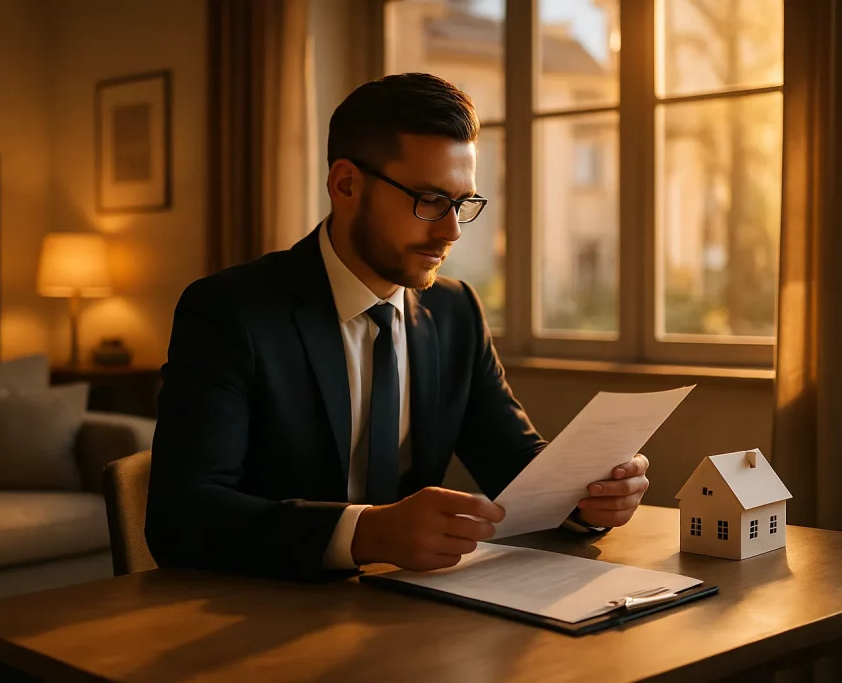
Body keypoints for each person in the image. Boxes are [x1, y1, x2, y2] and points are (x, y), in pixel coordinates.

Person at [145, 73, 650, 580]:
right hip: (259, 611)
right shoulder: (230, 311)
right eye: (429, 200)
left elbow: (515, 465)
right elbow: (183, 519)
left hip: (410, 613)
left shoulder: (457, 313)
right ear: (346, 185)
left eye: (461, 203)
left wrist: (586, 501)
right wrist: (367, 533)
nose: (451, 230)